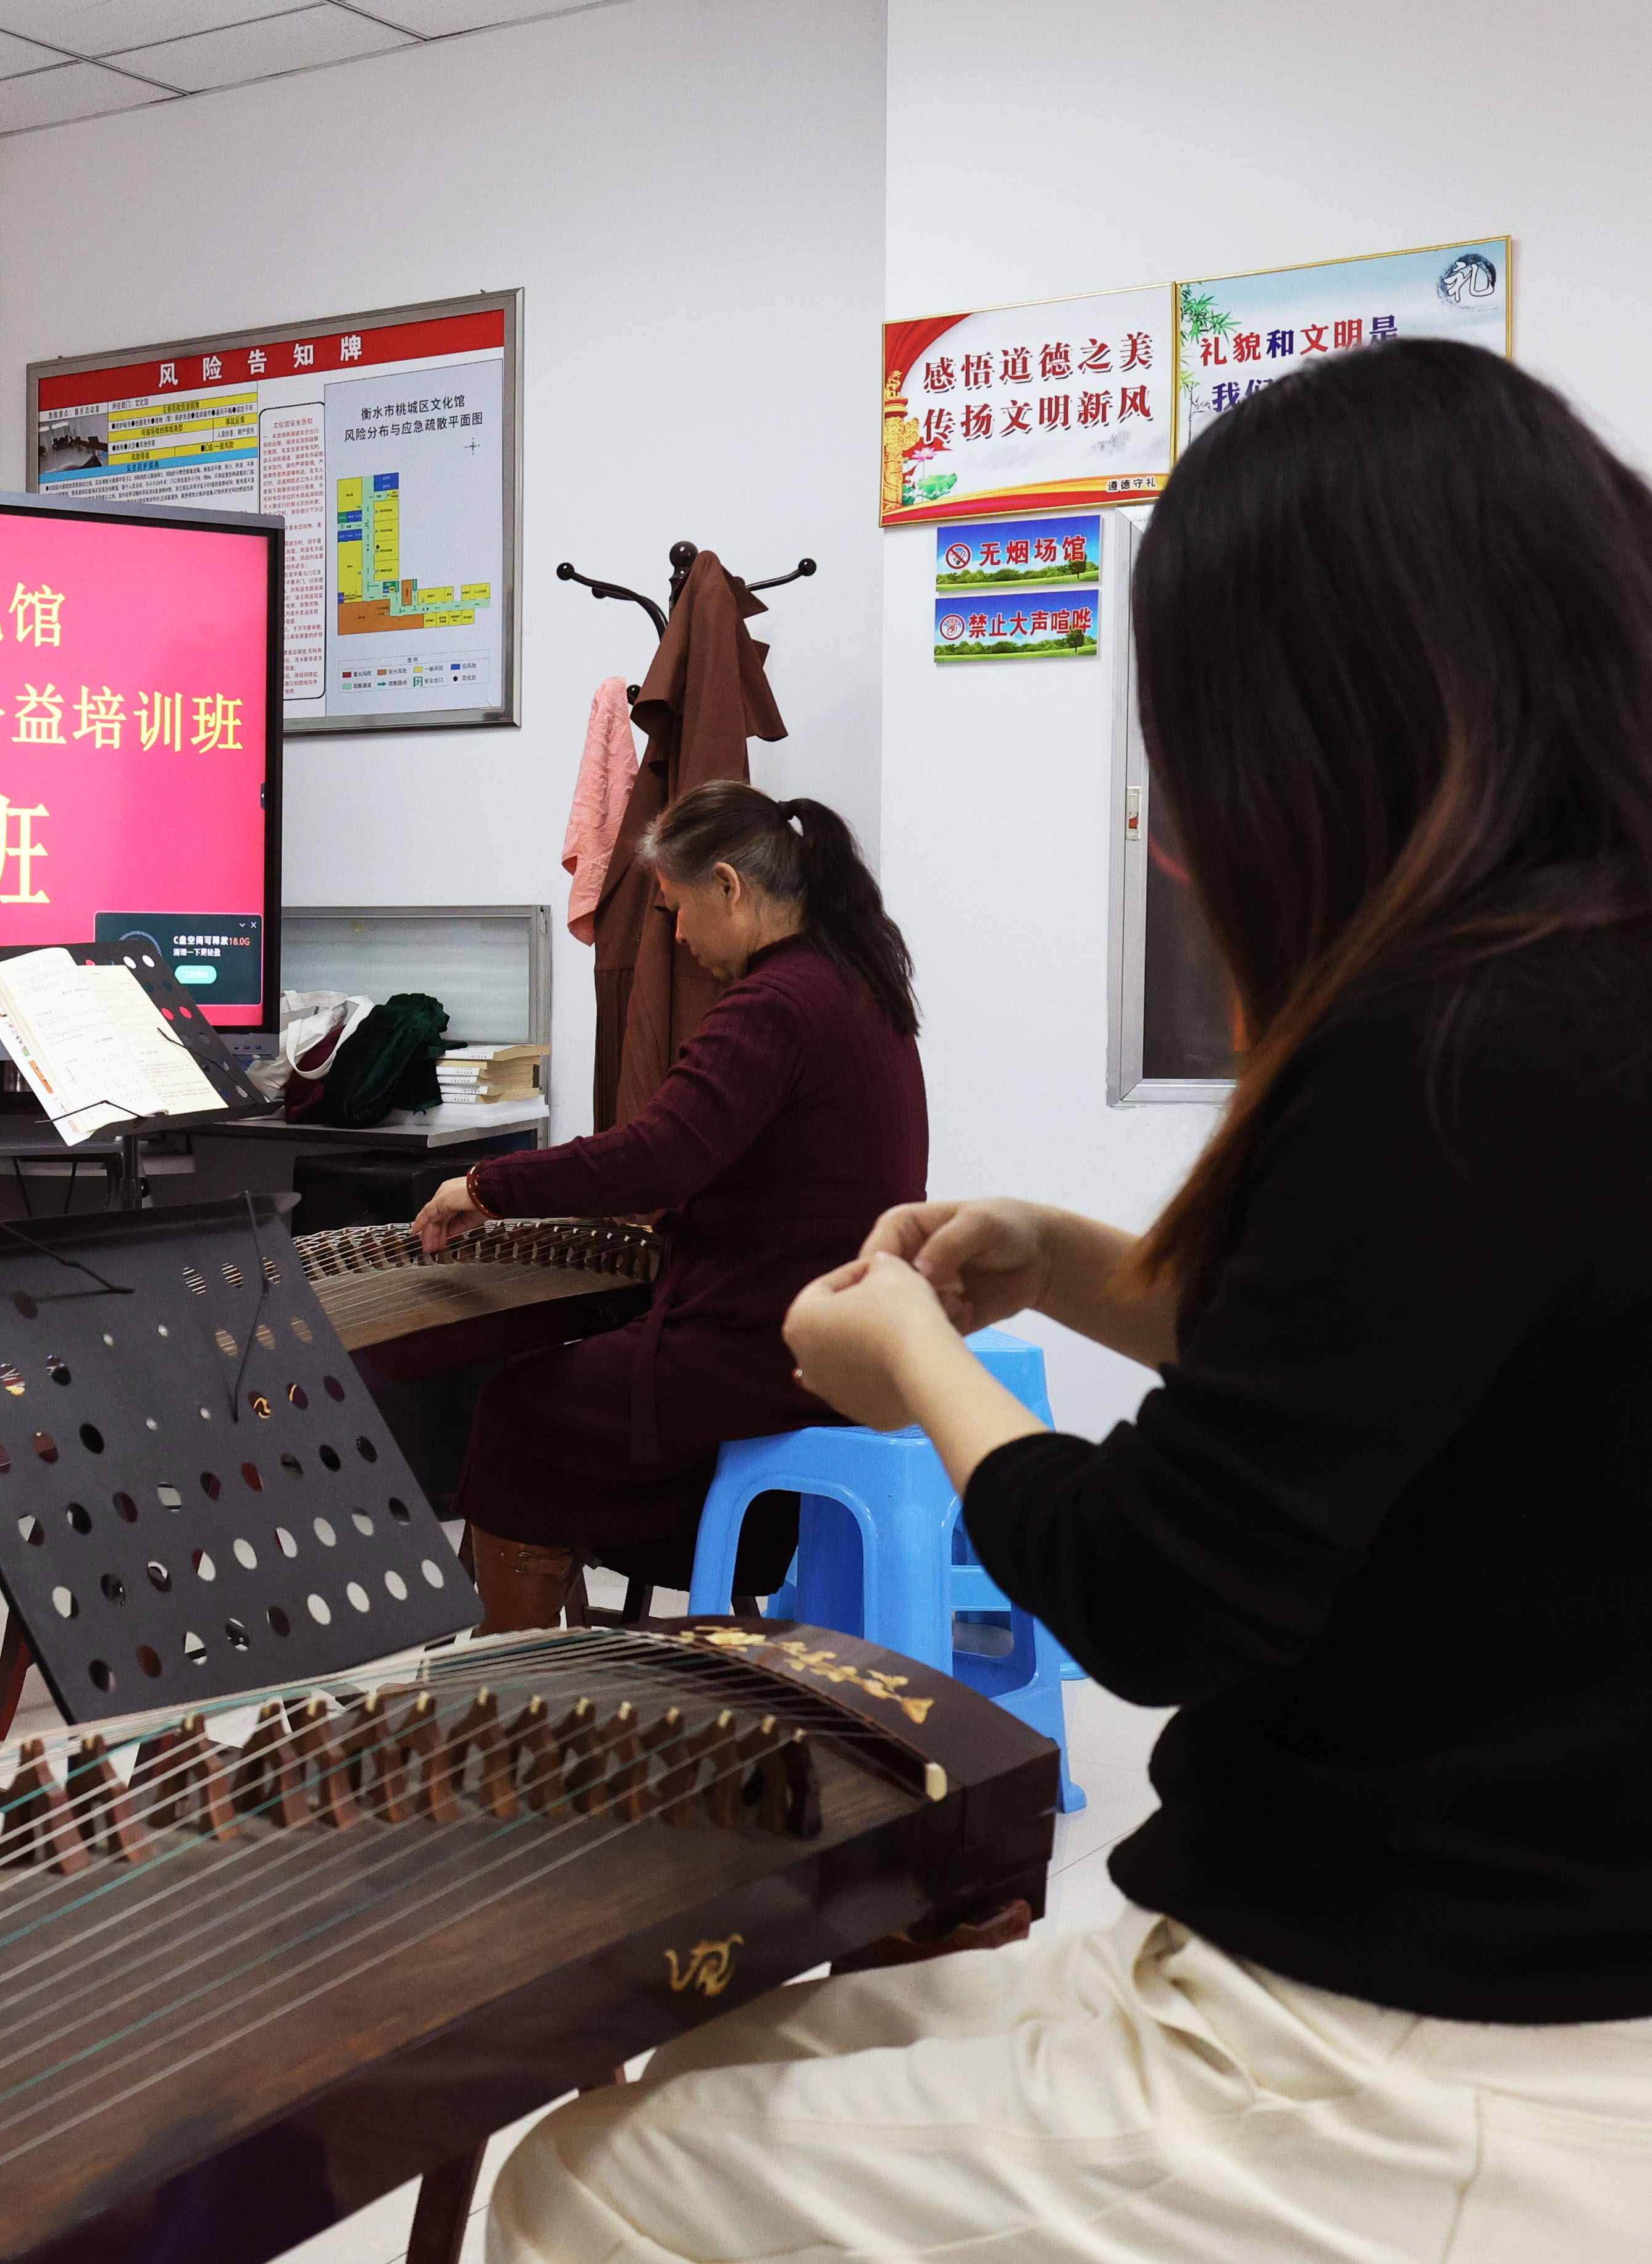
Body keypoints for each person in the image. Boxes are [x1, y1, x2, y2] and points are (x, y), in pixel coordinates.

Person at [495, 340, 1652, 2257]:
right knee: (709, 2063)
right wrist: (1063, 1258)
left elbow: (1159, 1587)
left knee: (585, 2177)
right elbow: (1380, 1362)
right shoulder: (1575, 997)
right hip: (1442, 1939)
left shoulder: (1453, 1041)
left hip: (1409, 2028)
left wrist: (914, 1360)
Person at [409, 780, 925, 1628]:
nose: (679, 936)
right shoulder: (856, 986)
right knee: (574, 1394)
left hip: (770, 1343)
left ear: (728, 887)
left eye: (678, 908)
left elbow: (654, 1157)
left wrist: (486, 1187)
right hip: (840, 1331)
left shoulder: (773, 1005)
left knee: (518, 1411)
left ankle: (512, 1668)